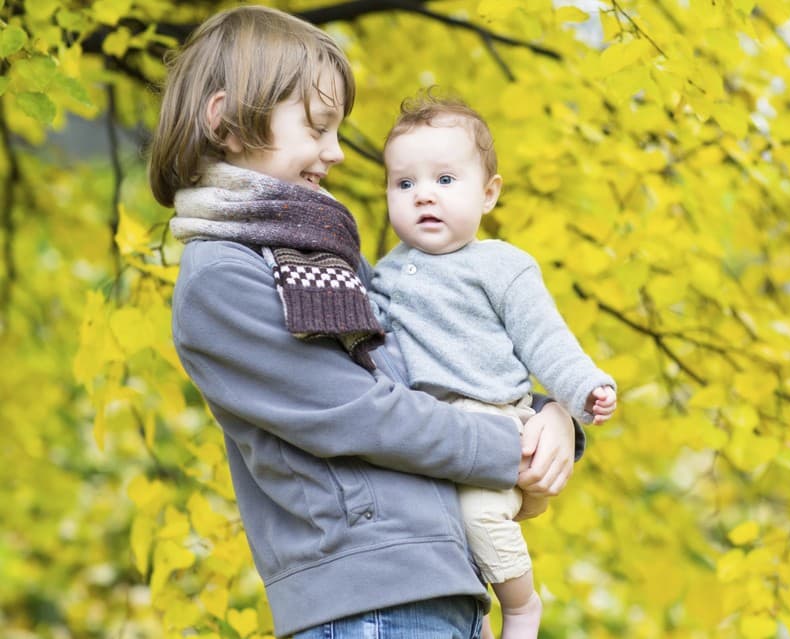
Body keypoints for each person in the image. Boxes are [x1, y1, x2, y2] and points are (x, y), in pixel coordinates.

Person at [148, 6, 582, 638]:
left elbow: (430, 368)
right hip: (367, 601)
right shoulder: (223, 275)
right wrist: (509, 448)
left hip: (441, 580)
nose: (336, 152)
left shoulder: (315, 252)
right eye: (319, 126)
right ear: (228, 123)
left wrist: (551, 416)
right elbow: (360, 412)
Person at [371, 92, 618, 639]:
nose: (423, 197)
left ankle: (523, 606)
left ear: (488, 194)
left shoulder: (501, 265)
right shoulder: (384, 277)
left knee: (479, 517)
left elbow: (547, 342)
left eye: (445, 180)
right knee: (445, 529)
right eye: (404, 184)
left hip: (497, 422)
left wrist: (584, 391)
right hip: (433, 436)